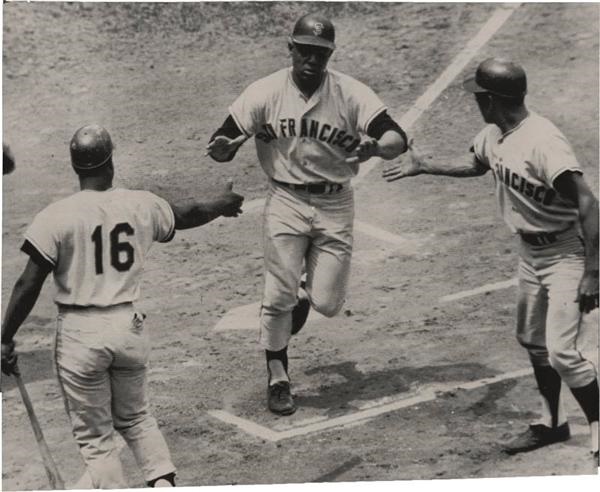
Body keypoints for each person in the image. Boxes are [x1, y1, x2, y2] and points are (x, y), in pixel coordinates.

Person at [1, 125, 244, 488]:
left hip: (81, 337)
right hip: (129, 328)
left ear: (74, 167)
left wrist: (4, 338)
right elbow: (188, 212)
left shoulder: (56, 216)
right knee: (137, 420)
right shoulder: (140, 203)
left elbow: (28, 283)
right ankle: (162, 482)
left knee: (98, 443)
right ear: (111, 162)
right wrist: (221, 206)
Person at [383, 58, 599, 462]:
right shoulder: (493, 134)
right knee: (534, 343)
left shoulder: (543, 142)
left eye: (479, 96)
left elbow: (588, 203)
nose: (476, 102)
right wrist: (425, 165)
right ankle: (553, 423)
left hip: (567, 253)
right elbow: (476, 164)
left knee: (564, 354)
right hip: (531, 253)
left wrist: (593, 272)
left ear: (490, 100)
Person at [206, 13, 408, 416]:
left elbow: (396, 137)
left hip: (335, 203)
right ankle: (278, 375)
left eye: (321, 53)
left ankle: (302, 291)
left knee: (329, 303)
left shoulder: (349, 92)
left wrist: (377, 148)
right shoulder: (264, 91)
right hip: (285, 200)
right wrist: (224, 147)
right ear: (291, 48)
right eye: (305, 51)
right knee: (277, 294)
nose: (312, 60)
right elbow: (223, 136)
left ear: (330, 55)